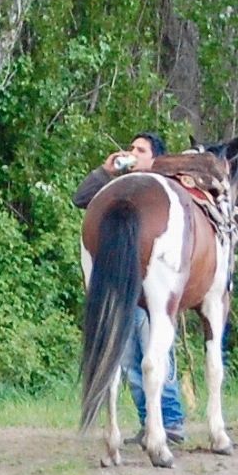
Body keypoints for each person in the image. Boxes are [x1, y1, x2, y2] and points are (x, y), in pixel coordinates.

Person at [71, 132, 187, 443]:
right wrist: (105, 172)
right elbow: (81, 199)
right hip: (125, 285)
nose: (132, 153)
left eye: (141, 150)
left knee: (156, 349)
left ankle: (171, 418)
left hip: (152, 285)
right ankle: (149, 420)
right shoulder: (118, 190)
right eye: (132, 148)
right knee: (130, 357)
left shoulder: (165, 194)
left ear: (155, 158)